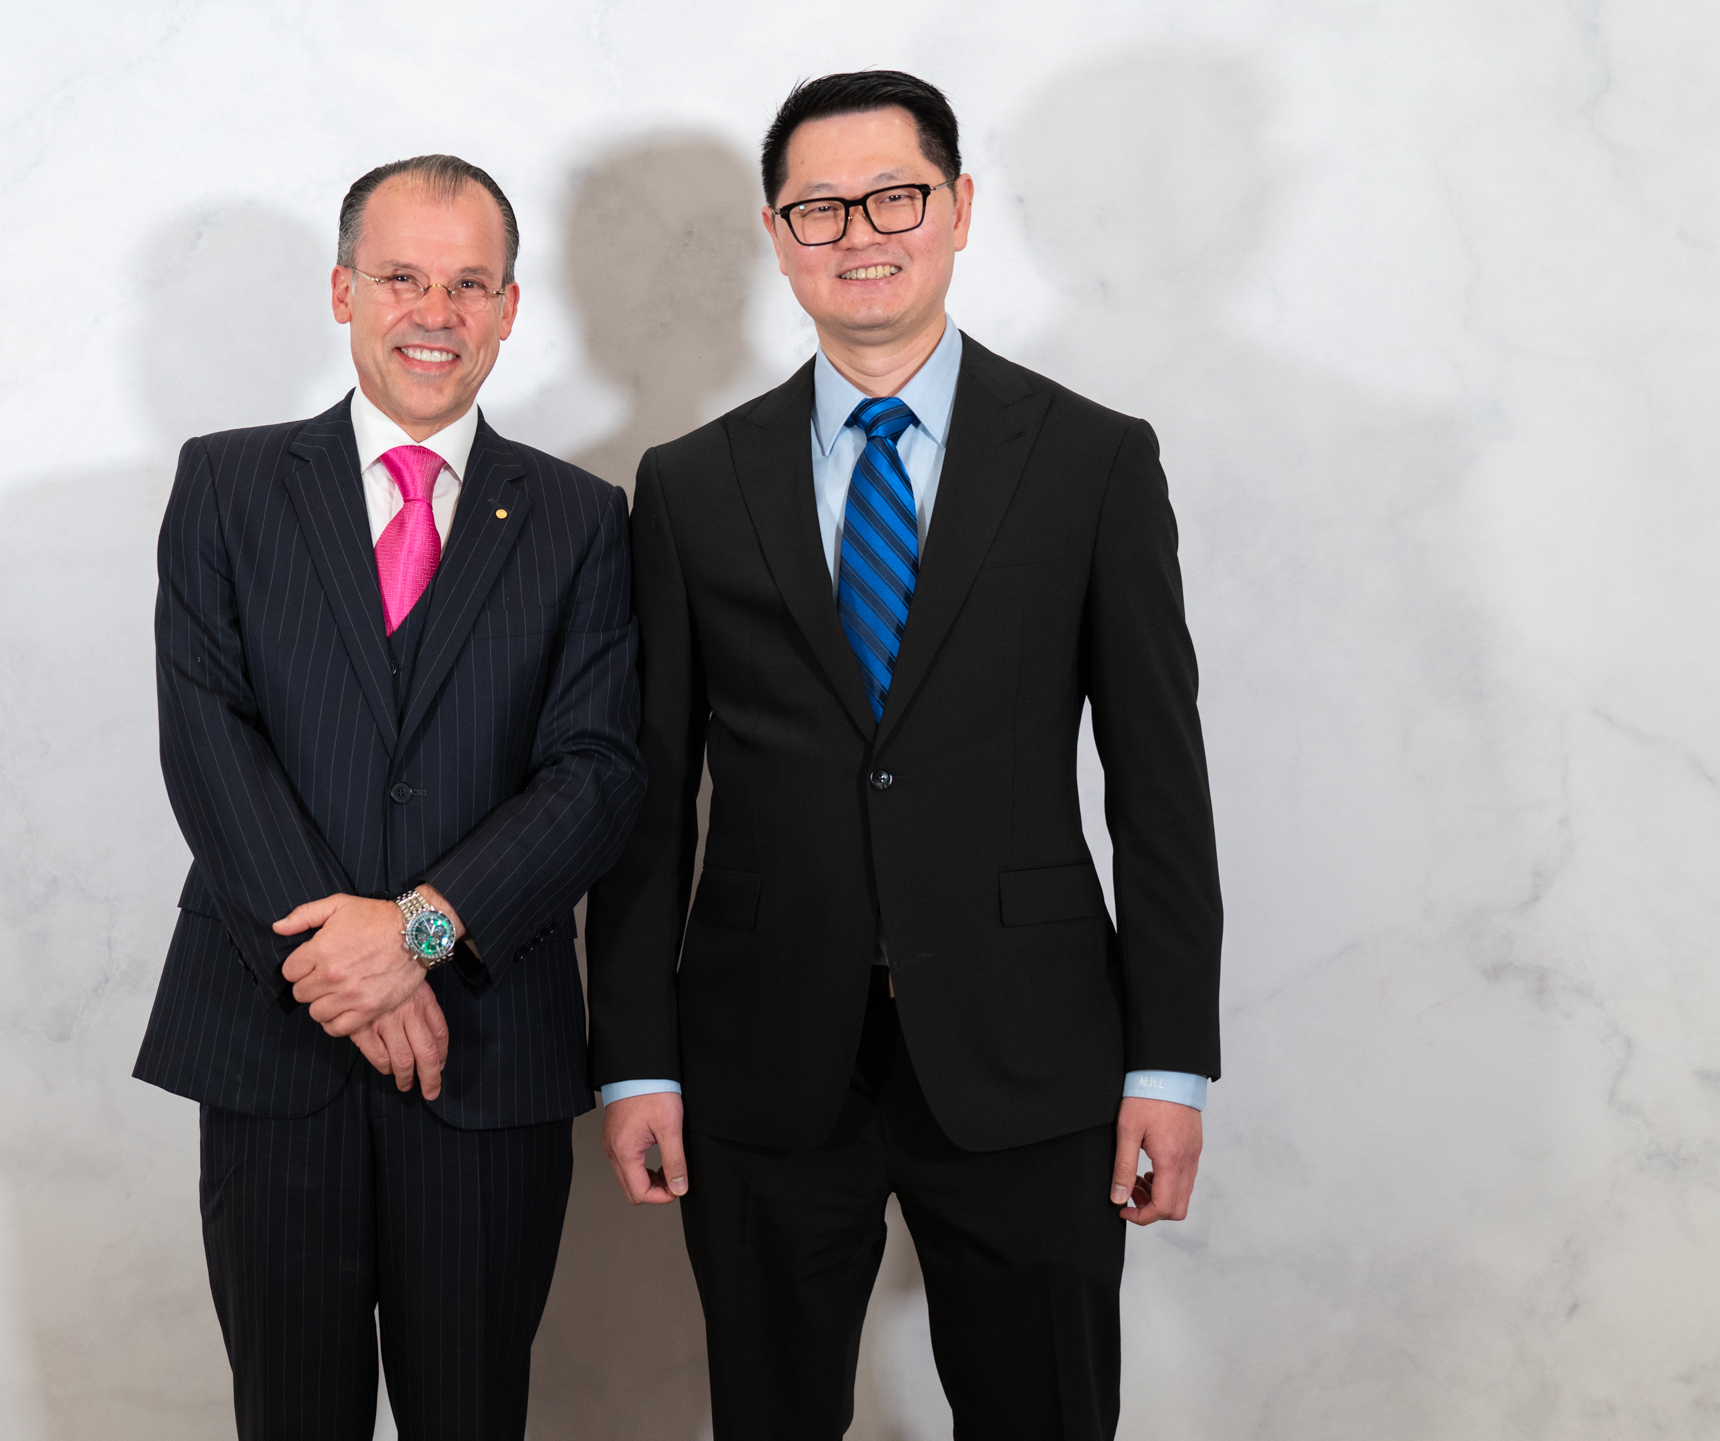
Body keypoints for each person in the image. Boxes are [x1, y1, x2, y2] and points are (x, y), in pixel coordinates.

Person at [584, 71, 1222, 1438]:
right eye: (820, 208)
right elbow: (647, 802)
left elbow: (1161, 785)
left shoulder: (1092, 462)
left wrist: (1170, 1065)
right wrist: (636, 1059)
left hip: (1032, 1049)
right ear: (778, 236)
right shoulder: (691, 486)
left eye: (895, 197)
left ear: (959, 208)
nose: (859, 233)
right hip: (761, 1055)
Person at [133, 153, 643, 1440]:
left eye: (470, 284)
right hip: (273, 1041)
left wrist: (418, 931)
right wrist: (342, 965)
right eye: (403, 277)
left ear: (511, 308)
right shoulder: (227, 484)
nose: (436, 312)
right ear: (343, 291)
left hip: (486, 1053)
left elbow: (597, 775)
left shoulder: (583, 519)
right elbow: (207, 739)